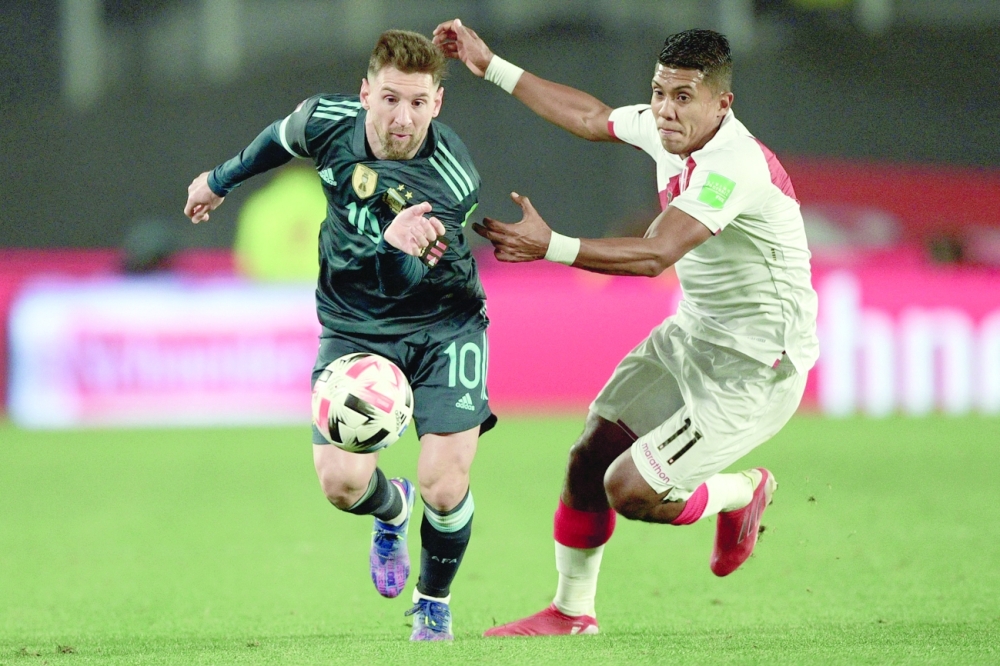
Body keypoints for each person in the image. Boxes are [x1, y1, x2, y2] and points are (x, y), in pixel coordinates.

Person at [433, 20, 819, 636]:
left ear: (723, 104)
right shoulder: (671, 128)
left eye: (683, 97)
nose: (664, 110)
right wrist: (491, 67)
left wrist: (550, 245)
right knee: (590, 456)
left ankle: (742, 491)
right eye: (659, 92)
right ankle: (571, 612)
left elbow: (654, 255)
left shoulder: (733, 166)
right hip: (694, 333)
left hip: (755, 365)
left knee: (631, 489)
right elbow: (592, 117)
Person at [184, 29, 495, 641]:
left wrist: (391, 245)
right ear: (364, 94)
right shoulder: (326, 121)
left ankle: (433, 602)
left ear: (437, 104)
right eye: (388, 99)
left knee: (445, 480)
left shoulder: (449, 182)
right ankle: (392, 508)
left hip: (441, 322)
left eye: (416, 102)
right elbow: (277, 141)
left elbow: (404, 279)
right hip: (353, 323)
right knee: (341, 484)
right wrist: (219, 180)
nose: (401, 118)